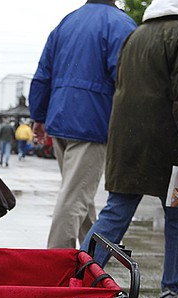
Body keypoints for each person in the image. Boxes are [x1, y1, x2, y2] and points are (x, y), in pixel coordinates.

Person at [81, 0, 178, 298]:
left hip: (127, 142)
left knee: (115, 213)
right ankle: (174, 288)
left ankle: (79, 274)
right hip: (170, 145)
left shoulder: (136, 35)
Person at [29, 0, 135, 250]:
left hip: (60, 118)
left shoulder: (66, 22)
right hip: (93, 122)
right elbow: (126, 80)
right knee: (73, 201)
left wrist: (39, 116)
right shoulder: (121, 25)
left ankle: (92, 260)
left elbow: (43, 73)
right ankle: (54, 267)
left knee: (78, 196)